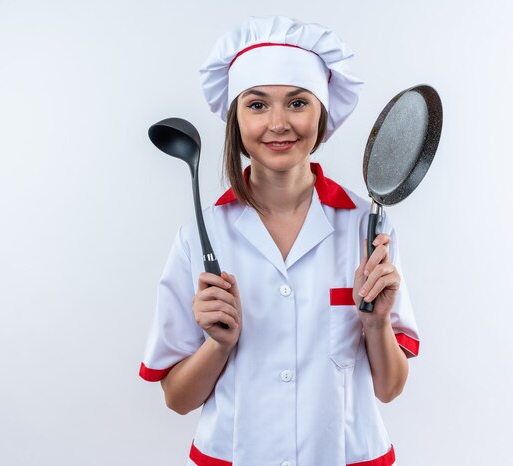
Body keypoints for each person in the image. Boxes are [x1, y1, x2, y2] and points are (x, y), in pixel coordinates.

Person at [139, 16, 420, 466]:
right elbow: (177, 398)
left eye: (296, 102)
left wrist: (376, 322)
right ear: (234, 117)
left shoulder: (369, 228)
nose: (277, 123)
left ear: (322, 113)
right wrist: (218, 344)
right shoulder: (199, 234)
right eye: (256, 105)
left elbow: (389, 388)